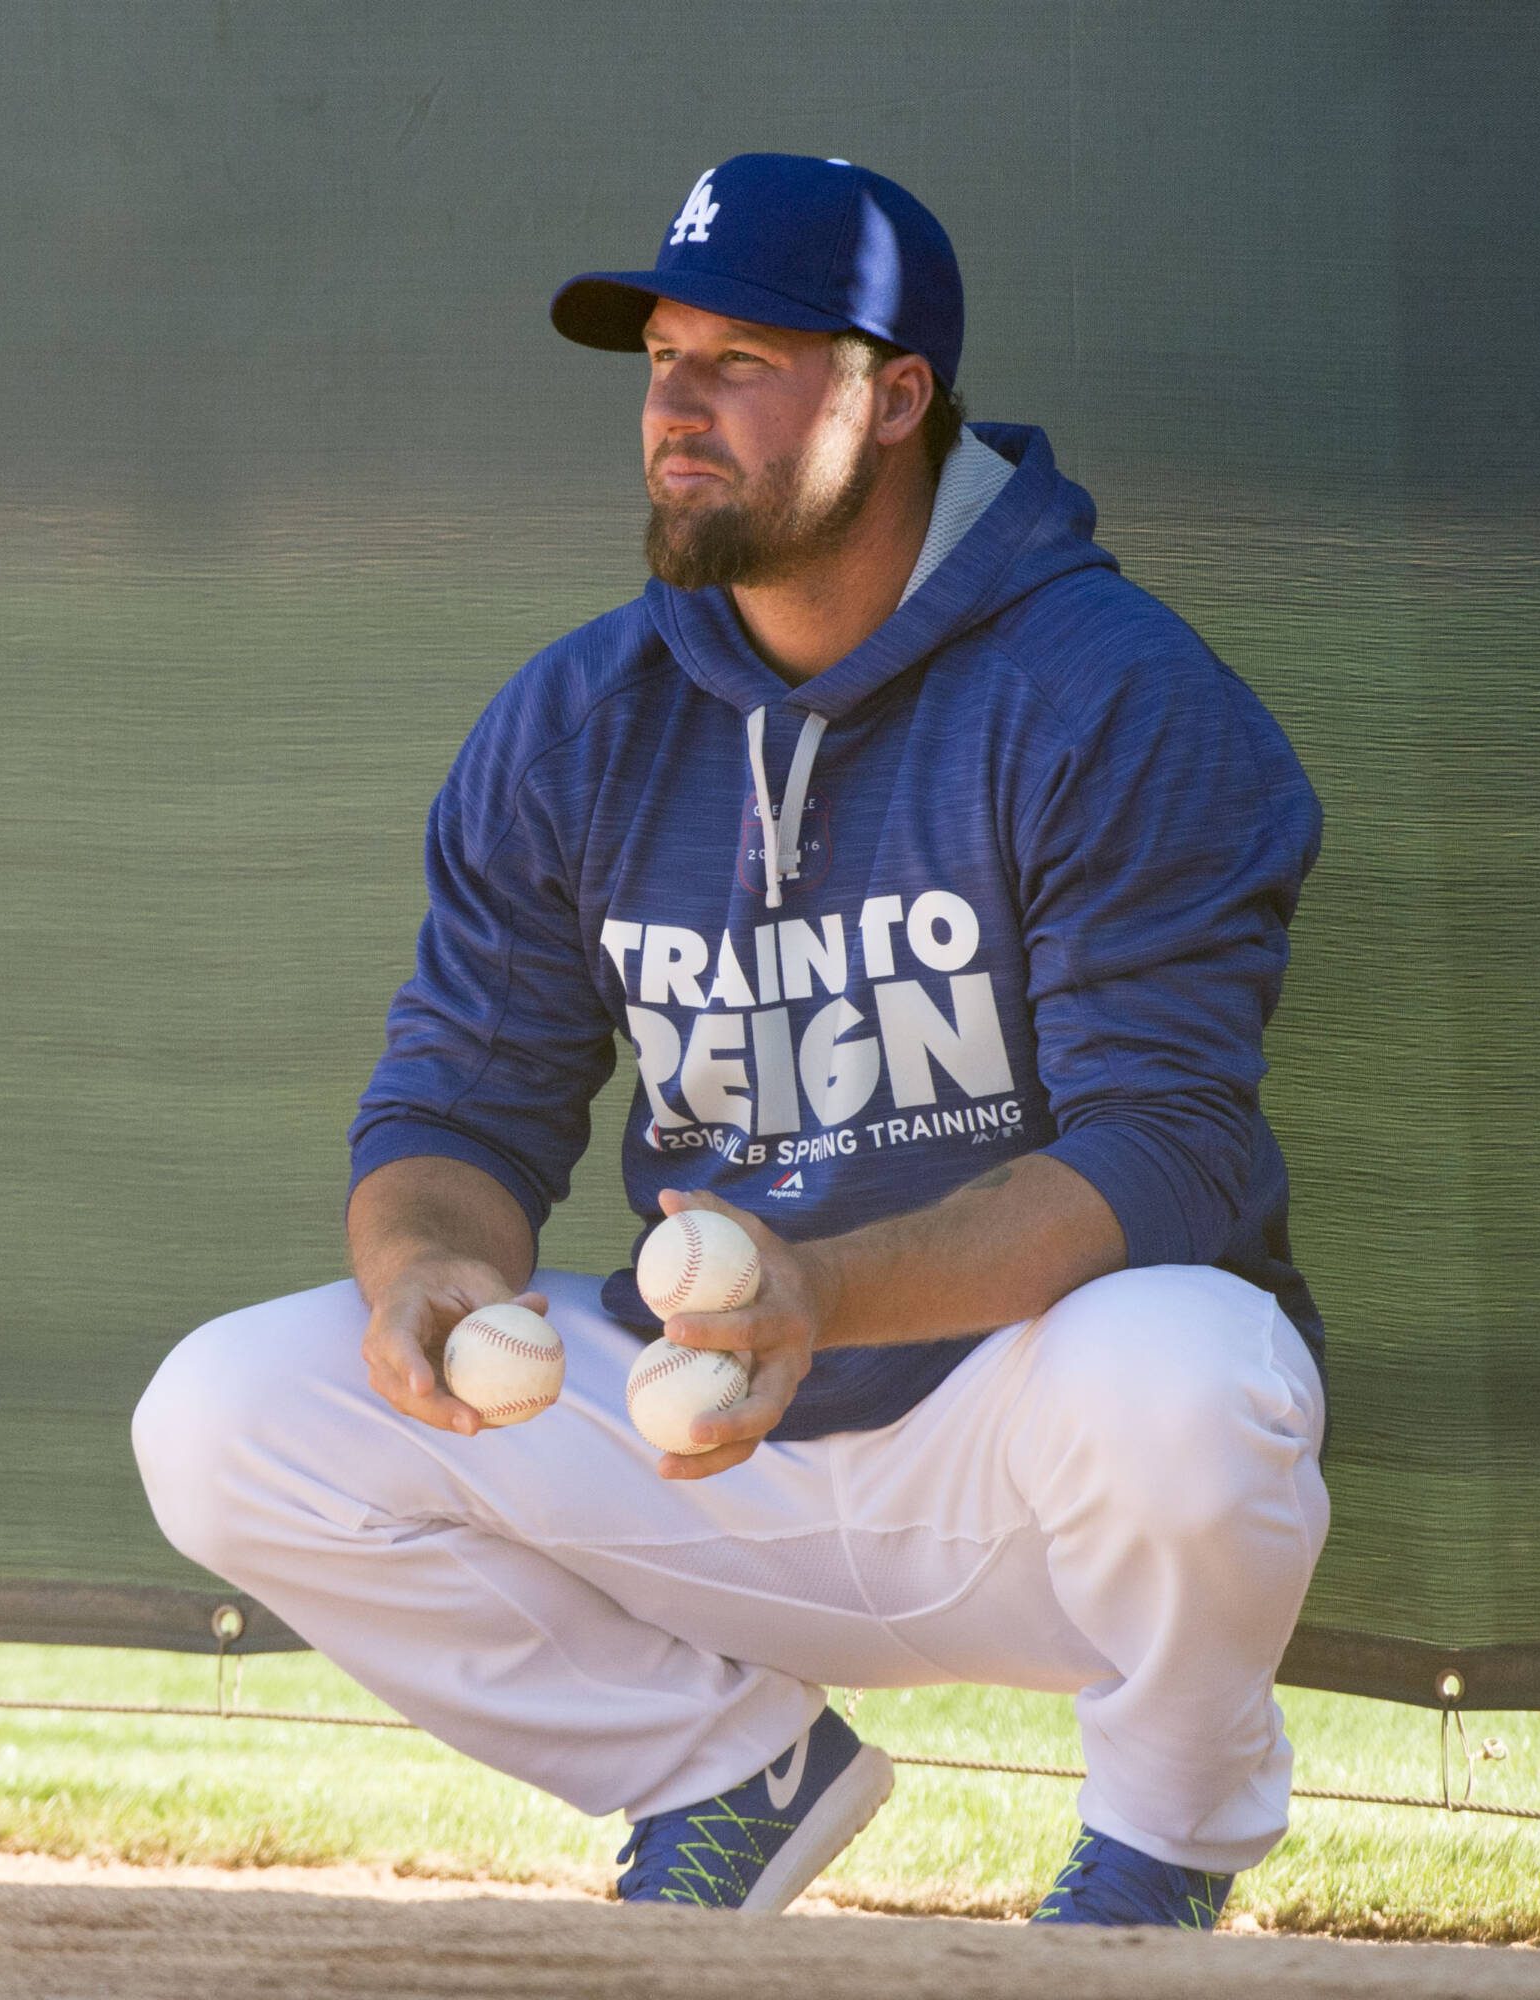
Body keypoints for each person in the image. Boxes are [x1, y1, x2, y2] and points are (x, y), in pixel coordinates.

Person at [131, 153, 1326, 1928]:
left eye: (741, 363)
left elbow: (1163, 1152)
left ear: (896, 394)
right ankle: (721, 1772)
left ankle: (1162, 1843)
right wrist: (430, 1271)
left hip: (1004, 1448)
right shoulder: (576, 718)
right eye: (659, 359)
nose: (674, 407)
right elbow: (460, 1092)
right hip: (705, 1443)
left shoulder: (1112, 693)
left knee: (1191, 1360)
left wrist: (820, 1294)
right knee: (226, 1415)